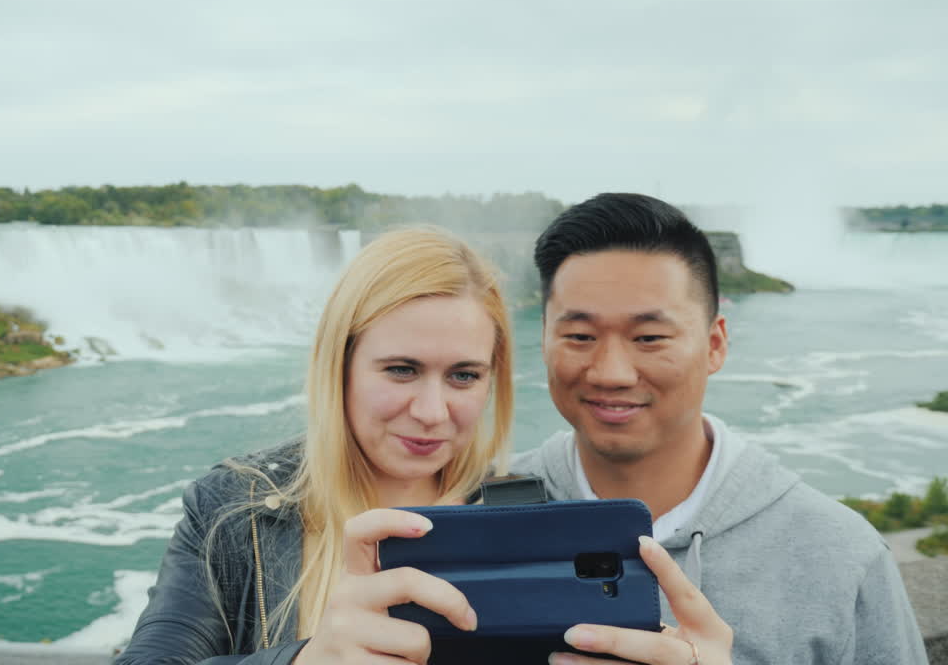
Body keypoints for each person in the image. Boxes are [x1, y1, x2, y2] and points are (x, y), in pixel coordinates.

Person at [116, 226, 733, 665]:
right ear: (341, 367)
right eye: (402, 370)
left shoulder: (535, 518)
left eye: (464, 375)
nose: (434, 413)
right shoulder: (237, 510)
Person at [517, 193, 929, 665]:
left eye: (649, 338)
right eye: (580, 337)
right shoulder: (469, 511)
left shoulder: (837, 554)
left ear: (715, 345)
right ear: (544, 339)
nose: (611, 372)